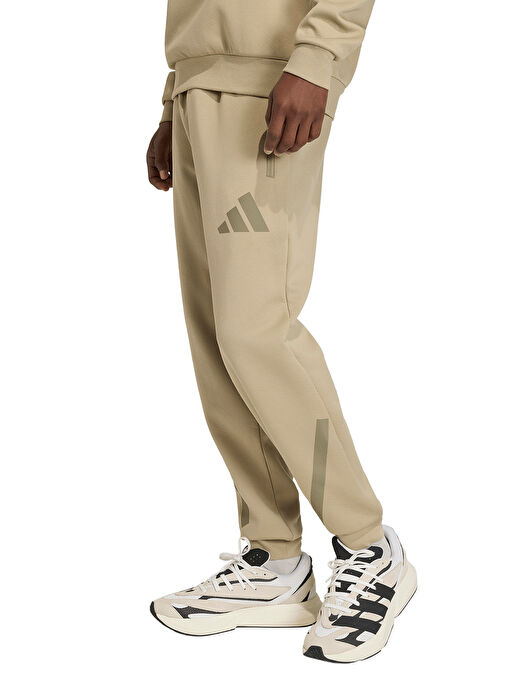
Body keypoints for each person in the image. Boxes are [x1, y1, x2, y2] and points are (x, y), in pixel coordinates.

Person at [147, 0, 416, 663]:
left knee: (255, 333)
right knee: (216, 340)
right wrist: (173, 98)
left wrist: (318, 56)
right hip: (199, 83)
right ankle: (274, 558)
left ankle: (368, 544)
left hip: (271, 82)